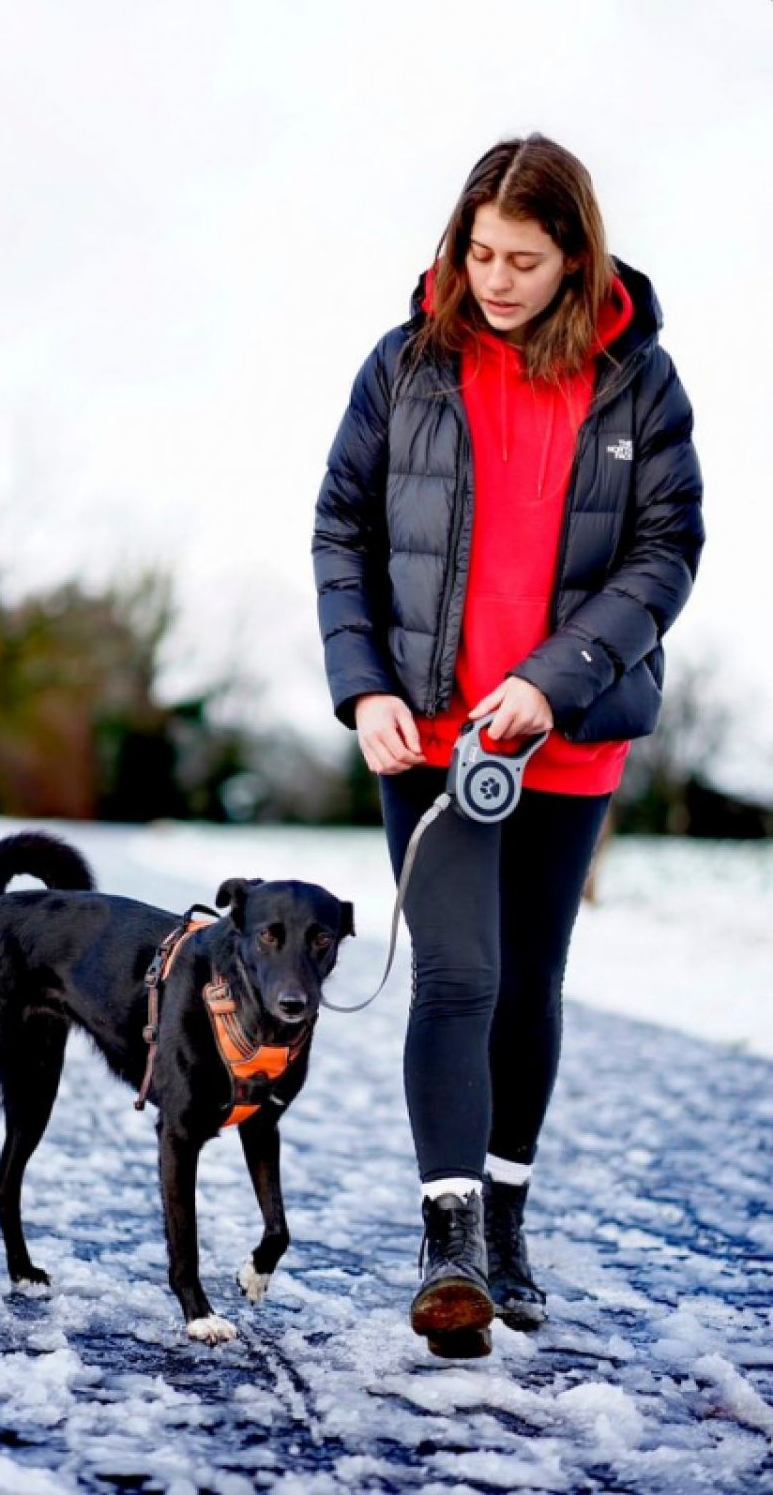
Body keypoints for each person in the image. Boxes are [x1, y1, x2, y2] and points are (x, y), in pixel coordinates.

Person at [311, 134, 704, 1357]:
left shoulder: (640, 381)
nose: (494, 278)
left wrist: (554, 679)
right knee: (456, 975)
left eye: (523, 259)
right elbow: (341, 531)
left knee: (528, 982)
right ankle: (450, 1247)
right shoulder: (404, 366)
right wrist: (363, 685)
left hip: (566, 736)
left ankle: (508, 1220)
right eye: (478, 251)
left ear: (574, 255)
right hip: (426, 738)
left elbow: (665, 552)